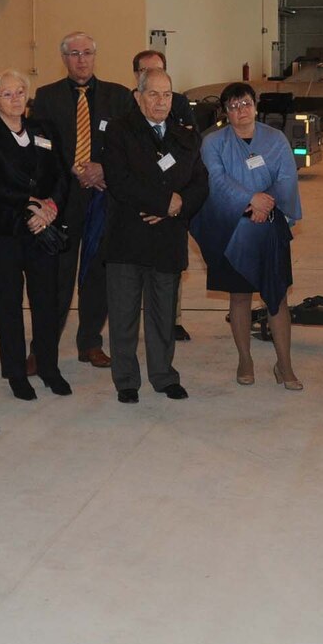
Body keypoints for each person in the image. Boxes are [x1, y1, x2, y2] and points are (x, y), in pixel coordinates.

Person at [98, 68, 207, 403]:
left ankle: (164, 376)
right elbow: (120, 181)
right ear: (138, 96)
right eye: (153, 94)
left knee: (163, 315)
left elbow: (200, 182)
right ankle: (126, 381)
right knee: (124, 315)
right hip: (128, 239)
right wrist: (163, 202)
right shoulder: (119, 131)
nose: (161, 101)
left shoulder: (185, 135)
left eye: (167, 95)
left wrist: (178, 205)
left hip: (167, 239)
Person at [31, 33, 133, 370]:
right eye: (74, 53)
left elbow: (131, 146)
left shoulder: (119, 97)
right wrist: (72, 169)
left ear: (95, 56)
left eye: (87, 52)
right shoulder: (46, 97)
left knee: (97, 276)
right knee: (57, 278)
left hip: (104, 199)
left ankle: (90, 343)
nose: (81, 60)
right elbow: (40, 148)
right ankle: (42, 348)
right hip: (63, 198)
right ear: (64, 58)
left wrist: (104, 169)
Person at [0, 70, 71, 401]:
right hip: (2, 232)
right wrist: (31, 204)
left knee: (46, 301)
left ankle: (48, 367)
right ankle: (15, 372)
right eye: (7, 94)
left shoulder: (44, 130)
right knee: (8, 304)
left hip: (42, 228)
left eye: (20, 92)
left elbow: (61, 174)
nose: (15, 99)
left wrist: (51, 207)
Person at [197, 82, 303, 390]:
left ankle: (284, 364)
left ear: (255, 106)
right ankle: (245, 359)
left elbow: (286, 178)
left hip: (269, 223)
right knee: (240, 296)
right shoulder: (213, 143)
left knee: (277, 297)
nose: (240, 111)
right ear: (225, 112)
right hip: (233, 227)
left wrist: (264, 205)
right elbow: (216, 181)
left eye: (245, 104)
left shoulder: (275, 139)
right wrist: (249, 200)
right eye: (233, 106)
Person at [131, 48, 196, 343]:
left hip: (172, 202)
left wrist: (173, 202)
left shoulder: (178, 103)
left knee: (170, 270)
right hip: (137, 206)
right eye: (145, 71)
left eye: (158, 70)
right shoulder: (126, 106)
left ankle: (173, 320)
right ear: (136, 76)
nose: (160, 100)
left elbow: (190, 150)